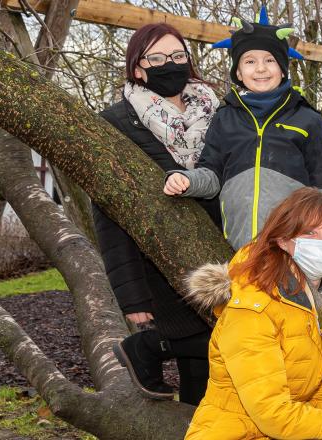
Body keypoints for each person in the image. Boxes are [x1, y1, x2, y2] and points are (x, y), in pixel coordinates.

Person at [183, 187, 322, 439]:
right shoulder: (253, 306)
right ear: (283, 240)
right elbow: (272, 413)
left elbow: (319, 391)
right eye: (310, 233)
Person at [98, 23, 219, 405]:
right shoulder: (117, 122)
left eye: (178, 56)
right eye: (158, 58)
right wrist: (132, 298)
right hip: (158, 256)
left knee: (208, 372)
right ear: (138, 68)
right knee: (208, 341)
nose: (171, 64)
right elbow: (108, 212)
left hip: (219, 245)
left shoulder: (220, 111)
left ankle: (152, 355)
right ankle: (150, 346)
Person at [163, 8, 322, 250]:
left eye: (270, 60)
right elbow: (212, 173)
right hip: (238, 247)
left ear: (283, 68)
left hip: (294, 247)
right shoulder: (224, 118)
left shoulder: (308, 119)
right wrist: (187, 180)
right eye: (250, 61)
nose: (260, 69)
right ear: (238, 72)